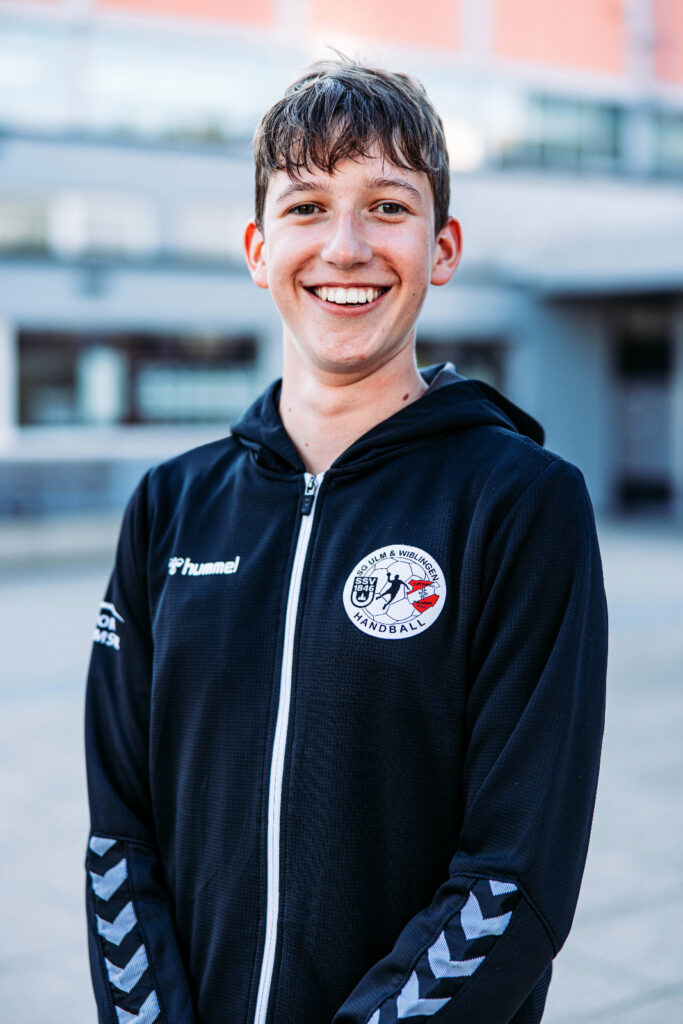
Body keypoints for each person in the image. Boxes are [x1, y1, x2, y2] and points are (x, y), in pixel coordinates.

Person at [84, 56, 607, 1024]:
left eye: (387, 206)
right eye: (307, 207)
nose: (346, 246)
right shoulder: (169, 507)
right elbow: (120, 838)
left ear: (441, 247)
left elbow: (515, 870)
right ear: (258, 249)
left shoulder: (522, 504)